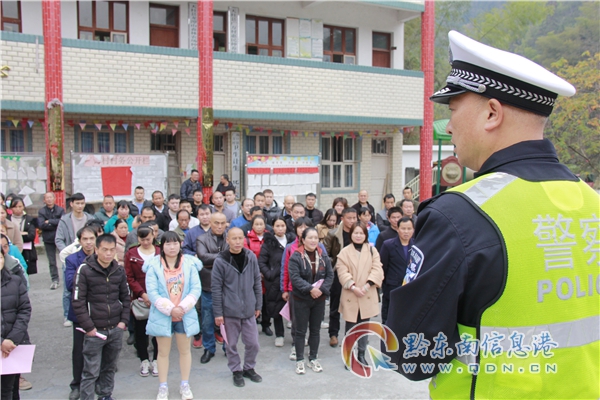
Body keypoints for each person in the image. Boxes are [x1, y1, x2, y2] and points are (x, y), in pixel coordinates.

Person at [386, 31, 599, 398]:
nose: (449, 126)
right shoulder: (590, 202)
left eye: (453, 109)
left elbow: (409, 354)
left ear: (491, 113)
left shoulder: (460, 214)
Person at [144, 231, 202, 400]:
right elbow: (152, 292)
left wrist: (182, 307)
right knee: (163, 353)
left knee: (185, 351)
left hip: (184, 314)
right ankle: (163, 386)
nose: (172, 247)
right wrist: (170, 309)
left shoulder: (189, 263)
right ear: (161, 246)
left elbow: (195, 288)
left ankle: (185, 384)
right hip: (163, 315)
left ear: (180, 244)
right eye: (168, 244)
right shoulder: (154, 266)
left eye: (175, 243)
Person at [72, 234, 130, 400]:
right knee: (90, 370)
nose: (108, 254)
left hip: (115, 328)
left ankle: (105, 395)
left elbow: (126, 297)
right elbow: (78, 301)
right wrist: (89, 327)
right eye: (104, 250)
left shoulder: (119, 270)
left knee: (109, 367)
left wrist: (123, 322)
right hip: (94, 331)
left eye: (112, 250)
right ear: (96, 249)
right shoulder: (84, 270)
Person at [212, 227, 263, 387]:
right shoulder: (221, 260)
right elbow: (216, 288)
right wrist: (218, 313)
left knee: (253, 343)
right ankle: (236, 370)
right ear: (227, 240)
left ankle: (249, 367)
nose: (237, 241)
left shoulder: (250, 257)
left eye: (240, 238)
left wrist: (258, 304)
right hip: (229, 311)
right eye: (234, 238)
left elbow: (257, 281)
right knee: (231, 344)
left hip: (248, 309)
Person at [335, 223, 383, 367]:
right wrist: (353, 287)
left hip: (367, 292)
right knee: (350, 326)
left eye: (361, 233)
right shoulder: (344, 252)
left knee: (364, 325)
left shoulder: (372, 250)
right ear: (351, 234)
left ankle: (361, 354)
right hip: (351, 293)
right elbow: (342, 272)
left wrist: (367, 285)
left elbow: (377, 269)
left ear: (365, 235)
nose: (358, 236)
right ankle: (349, 356)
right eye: (355, 233)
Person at [288, 227, 333, 375]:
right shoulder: (296, 257)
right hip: (301, 299)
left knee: (315, 330)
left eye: (316, 238)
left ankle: (313, 358)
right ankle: (300, 360)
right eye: (310, 238)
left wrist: (321, 290)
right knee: (300, 331)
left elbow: (330, 275)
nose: (314, 241)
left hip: (319, 299)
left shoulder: (323, 256)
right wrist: (310, 289)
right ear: (303, 240)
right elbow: (295, 278)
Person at [64, 226, 98, 400]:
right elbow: (70, 284)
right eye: (85, 239)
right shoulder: (72, 259)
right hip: (80, 311)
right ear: (79, 241)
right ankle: (76, 384)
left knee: (100, 349)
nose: (89, 242)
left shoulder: (103, 257)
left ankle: (98, 383)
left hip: (100, 310)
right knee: (79, 350)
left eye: (91, 238)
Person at [124, 226, 160, 379]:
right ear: (138, 238)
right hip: (139, 298)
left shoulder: (159, 252)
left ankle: (157, 360)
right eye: (142, 239)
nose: (145, 242)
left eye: (148, 239)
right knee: (141, 331)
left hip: (158, 298)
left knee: (159, 331)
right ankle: (144, 359)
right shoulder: (131, 253)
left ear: (153, 236)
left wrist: (155, 296)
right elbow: (129, 277)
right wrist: (143, 294)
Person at [55, 193, 94, 327]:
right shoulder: (64, 220)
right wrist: (67, 252)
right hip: (71, 256)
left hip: (88, 254)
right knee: (69, 289)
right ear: (71, 204)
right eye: (77, 203)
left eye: (82, 203)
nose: (80, 206)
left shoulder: (90, 218)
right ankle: (68, 315)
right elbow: (58, 239)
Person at [196, 212, 229, 364]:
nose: (220, 226)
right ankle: (209, 348)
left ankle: (229, 347)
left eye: (223, 223)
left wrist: (214, 258)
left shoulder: (230, 237)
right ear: (210, 222)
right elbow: (203, 257)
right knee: (207, 320)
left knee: (229, 320)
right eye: (216, 223)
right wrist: (224, 256)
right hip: (208, 285)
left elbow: (236, 255)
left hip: (228, 285)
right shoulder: (202, 239)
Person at [322, 208, 358, 347]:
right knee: (335, 305)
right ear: (342, 218)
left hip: (356, 273)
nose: (352, 221)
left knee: (354, 306)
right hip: (338, 273)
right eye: (349, 218)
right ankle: (333, 334)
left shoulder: (359, 232)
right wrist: (339, 262)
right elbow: (326, 255)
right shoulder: (333, 234)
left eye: (354, 218)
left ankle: (352, 335)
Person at [0, 248, 32, 400]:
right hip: (3, 344)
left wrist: (11, 339)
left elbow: (24, 310)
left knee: (10, 389)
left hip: (12, 344)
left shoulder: (15, 281)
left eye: (0, 257)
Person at [258, 217, 293, 347]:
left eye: (282, 226)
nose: (280, 228)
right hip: (275, 281)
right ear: (273, 227)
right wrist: (269, 275)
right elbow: (261, 262)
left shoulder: (292, 240)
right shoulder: (269, 243)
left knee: (295, 309)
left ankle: (297, 335)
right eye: (277, 226)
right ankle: (279, 335)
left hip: (292, 279)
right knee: (277, 308)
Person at [379, 216, 413, 325]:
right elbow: (383, 266)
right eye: (403, 228)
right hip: (392, 289)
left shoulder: (417, 246)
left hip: (411, 290)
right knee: (389, 321)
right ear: (397, 229)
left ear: (413, 230)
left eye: (409, 228)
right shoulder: (388, 245)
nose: (406, 232)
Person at [243, 215, 271, 336]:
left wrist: (266, 271)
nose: (259, 227)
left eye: (261, 224)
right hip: (253, 275)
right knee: (254, 300)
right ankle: (253, 324)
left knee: (267, 301)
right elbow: (247, 258)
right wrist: (257, 273)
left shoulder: (270, 238)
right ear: (252, 226)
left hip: (267, 275)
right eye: (256, 224)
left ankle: (266, 324)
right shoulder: (247, 239)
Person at [38, 191, 65, 289]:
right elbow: (41, 225)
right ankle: (55, 279)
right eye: (47, 198)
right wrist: (55, 223)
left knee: (65, 257)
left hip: (61, 238)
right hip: (48, 239)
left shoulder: (60, 210)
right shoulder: (42, 211)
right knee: (52, 261)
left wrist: (49, 221)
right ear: (44, 200)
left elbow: (62, 222)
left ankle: (68, 276)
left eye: (51, 197)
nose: (49, 199)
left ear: (54, 199)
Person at [8, 197, 38, 275]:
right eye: (15, 207)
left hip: (27, 250)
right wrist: (22, 233)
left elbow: (31, 236)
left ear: (23, 207)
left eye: (20, 206)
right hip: (11, 249)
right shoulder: (7, 220)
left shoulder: (29, 219)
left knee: (25, 272)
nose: (18, 209)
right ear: (11, 208)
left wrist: (16, 235)